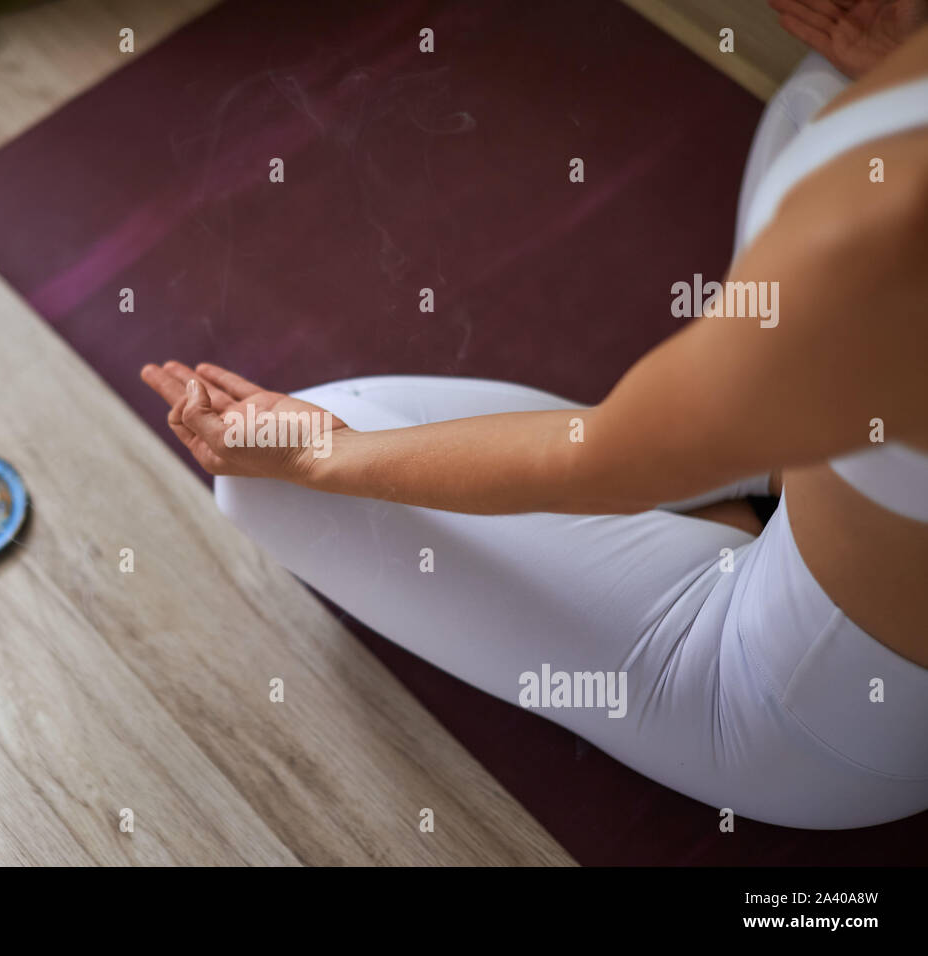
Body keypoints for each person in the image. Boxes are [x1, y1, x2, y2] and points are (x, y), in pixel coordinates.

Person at [141, 3, 928, 829]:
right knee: (824, 87)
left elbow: (599, 467)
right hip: (847, 484)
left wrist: (322, 458)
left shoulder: (873, 234)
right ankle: (765, 454)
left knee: (270, 489)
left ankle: (738, 478)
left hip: (812, 719)